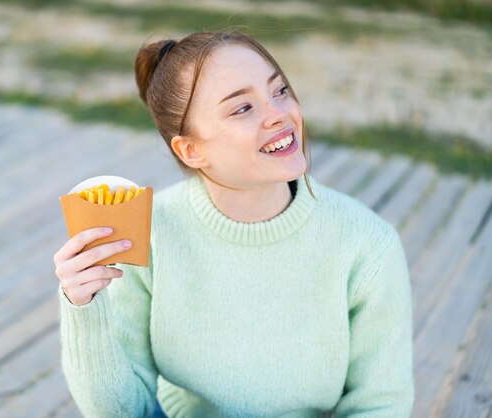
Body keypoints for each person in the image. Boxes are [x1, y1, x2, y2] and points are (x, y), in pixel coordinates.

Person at [53, 31, 415, 418]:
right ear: (190, 150)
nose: (280, 113)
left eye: (279, 91)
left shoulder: (367, 244)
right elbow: (125, 411)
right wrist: (84, 307)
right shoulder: (152, 233)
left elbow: (380, 404)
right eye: (242, 108)